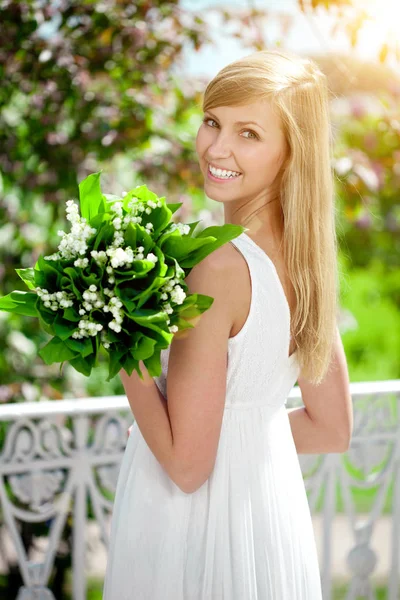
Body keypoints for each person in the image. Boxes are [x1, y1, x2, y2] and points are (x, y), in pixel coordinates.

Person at [102, 49, 353, 599]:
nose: (217, 148)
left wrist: (120, 335)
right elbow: (332, 428)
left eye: (248, 134)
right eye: (213, 122)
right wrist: (224, 434)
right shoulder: (307, 262)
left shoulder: (216, 268)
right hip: (263, 519)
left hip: (194, 526)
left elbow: (187, 469)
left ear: (291, 152)